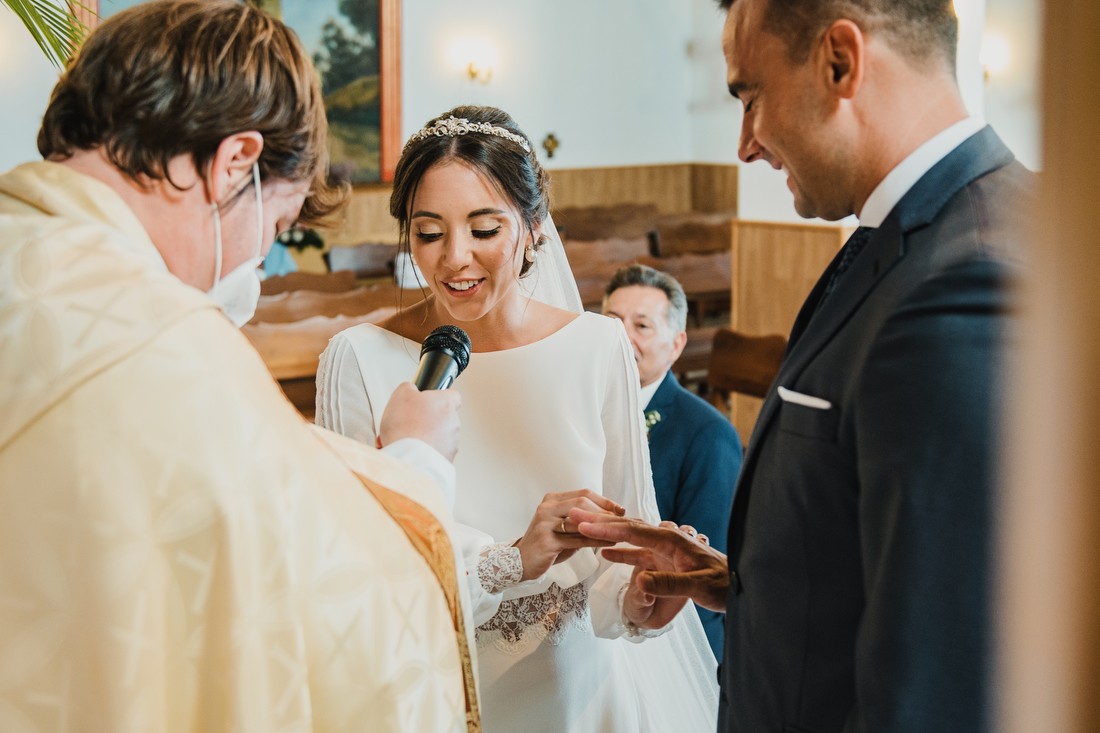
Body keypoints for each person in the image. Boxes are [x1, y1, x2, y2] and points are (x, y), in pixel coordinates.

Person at [0, 2, 480, 731]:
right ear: (235, 165)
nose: (257, 262)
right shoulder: (164, 344)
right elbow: (337, 620)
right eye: (278, 225)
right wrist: (417, 467)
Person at [573, 1, 1035, 731]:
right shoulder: (904, 234)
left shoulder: (965, 280)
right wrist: (749, 582)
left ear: (839, 62)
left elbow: (938, 677)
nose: (745, 146)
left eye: (749, 94)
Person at [316, 105, 719, 732]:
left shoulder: (598, 347)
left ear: (534, 229)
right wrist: (513, 557)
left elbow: (618, 563)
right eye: (428, 233)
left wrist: (642, 598)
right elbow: (363, 575)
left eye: (483, 230)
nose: (455, 259)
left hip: (581, 700)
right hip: (442, 698)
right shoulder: (359, 360)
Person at [601, 263, 741, 658]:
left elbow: (707, 574)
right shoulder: (585, 409)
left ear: (676, 345)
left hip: (666, 635)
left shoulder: (708, 435)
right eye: (613, 322)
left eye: (642, 326)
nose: (623, 336)